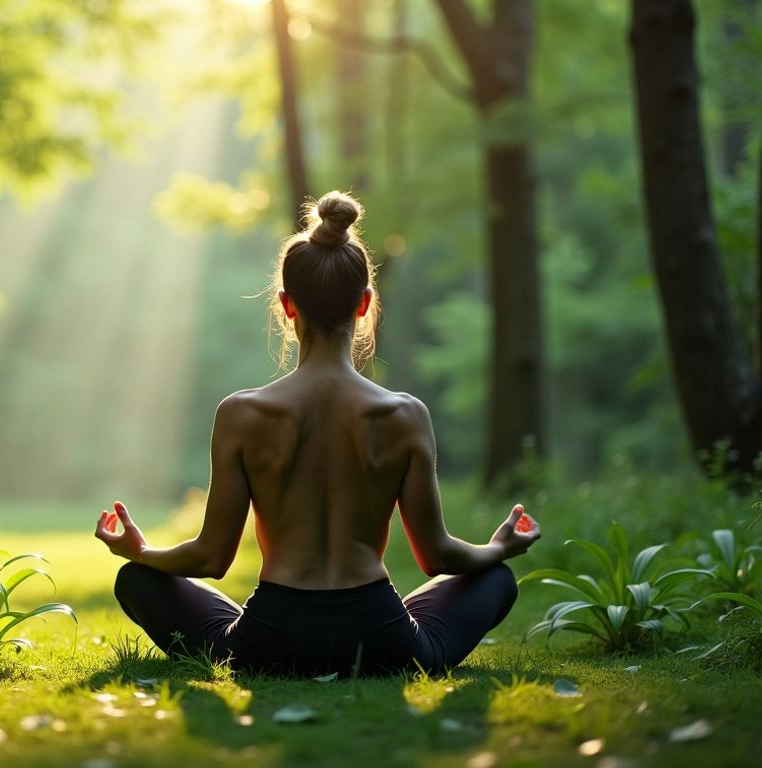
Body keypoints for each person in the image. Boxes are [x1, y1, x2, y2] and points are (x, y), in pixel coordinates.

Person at [93, 191, 541, 677]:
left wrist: (141, 552)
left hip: (267, 640)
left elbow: (211, 556)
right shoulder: (404, 414)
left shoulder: (241, 414)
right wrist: (498, 548)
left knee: (137, 580)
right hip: (382, 638)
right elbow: (436, 556)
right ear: (365, 303)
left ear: (287, 306)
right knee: (494, 580)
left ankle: (245, 647)